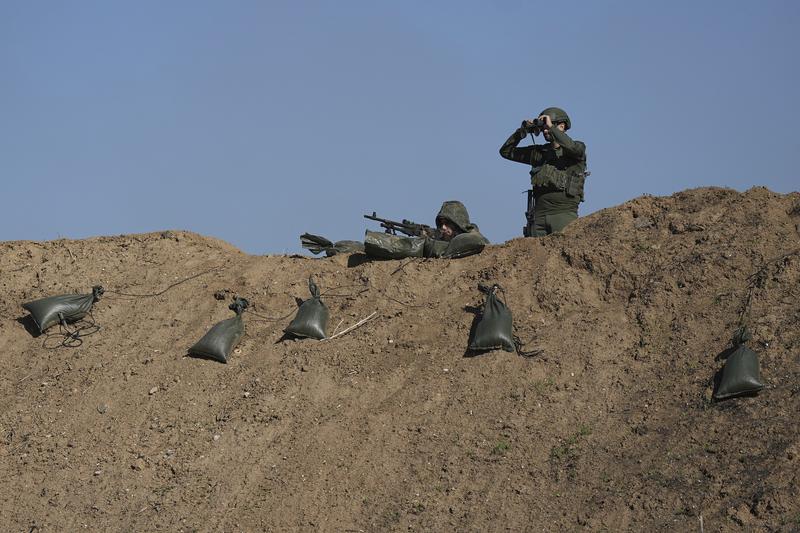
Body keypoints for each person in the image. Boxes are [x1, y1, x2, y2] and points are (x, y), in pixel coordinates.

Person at [499, 107, 587, 237]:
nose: (545, 130)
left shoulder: (577, 149)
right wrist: (521, 132)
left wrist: (551, 127)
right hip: (538, 218)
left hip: (563, 213)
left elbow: (572, 148)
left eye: (548, 126)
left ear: (562, 126)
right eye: (543, 127)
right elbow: (505, 152)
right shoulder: (539, 153)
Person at [301, 200, 489, 259]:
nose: (443, 228)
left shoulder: (471, 239)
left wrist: (427, 241)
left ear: (459, 224)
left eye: (448, 224)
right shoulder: (442, 237)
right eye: (440, 224)